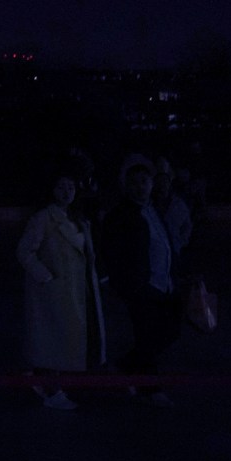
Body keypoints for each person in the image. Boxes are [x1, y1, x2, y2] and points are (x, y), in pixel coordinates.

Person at [16, 175, 103, 408]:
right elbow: (24, 251)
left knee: (64, 339)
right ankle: (49, 388)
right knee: (52, 340)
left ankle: (51, 384)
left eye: (71, 186)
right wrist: (46, 277)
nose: (67, 191)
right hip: (54, 292)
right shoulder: (43, 218)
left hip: (75, 289)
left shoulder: (79, 220)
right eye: (61, 186)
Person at [100, 156, 180, 405]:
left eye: (144, 181)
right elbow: (111, 250)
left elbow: (165, 244)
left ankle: (126, 365)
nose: (139, 187)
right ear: (126, 185)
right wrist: (124, 283)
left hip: (162, 284)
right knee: (147, 336)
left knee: (169, 331)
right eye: (134, 182)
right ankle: (151, 388)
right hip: (140, 287)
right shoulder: (121, 215)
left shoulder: (153, 209)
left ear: (151, 184)